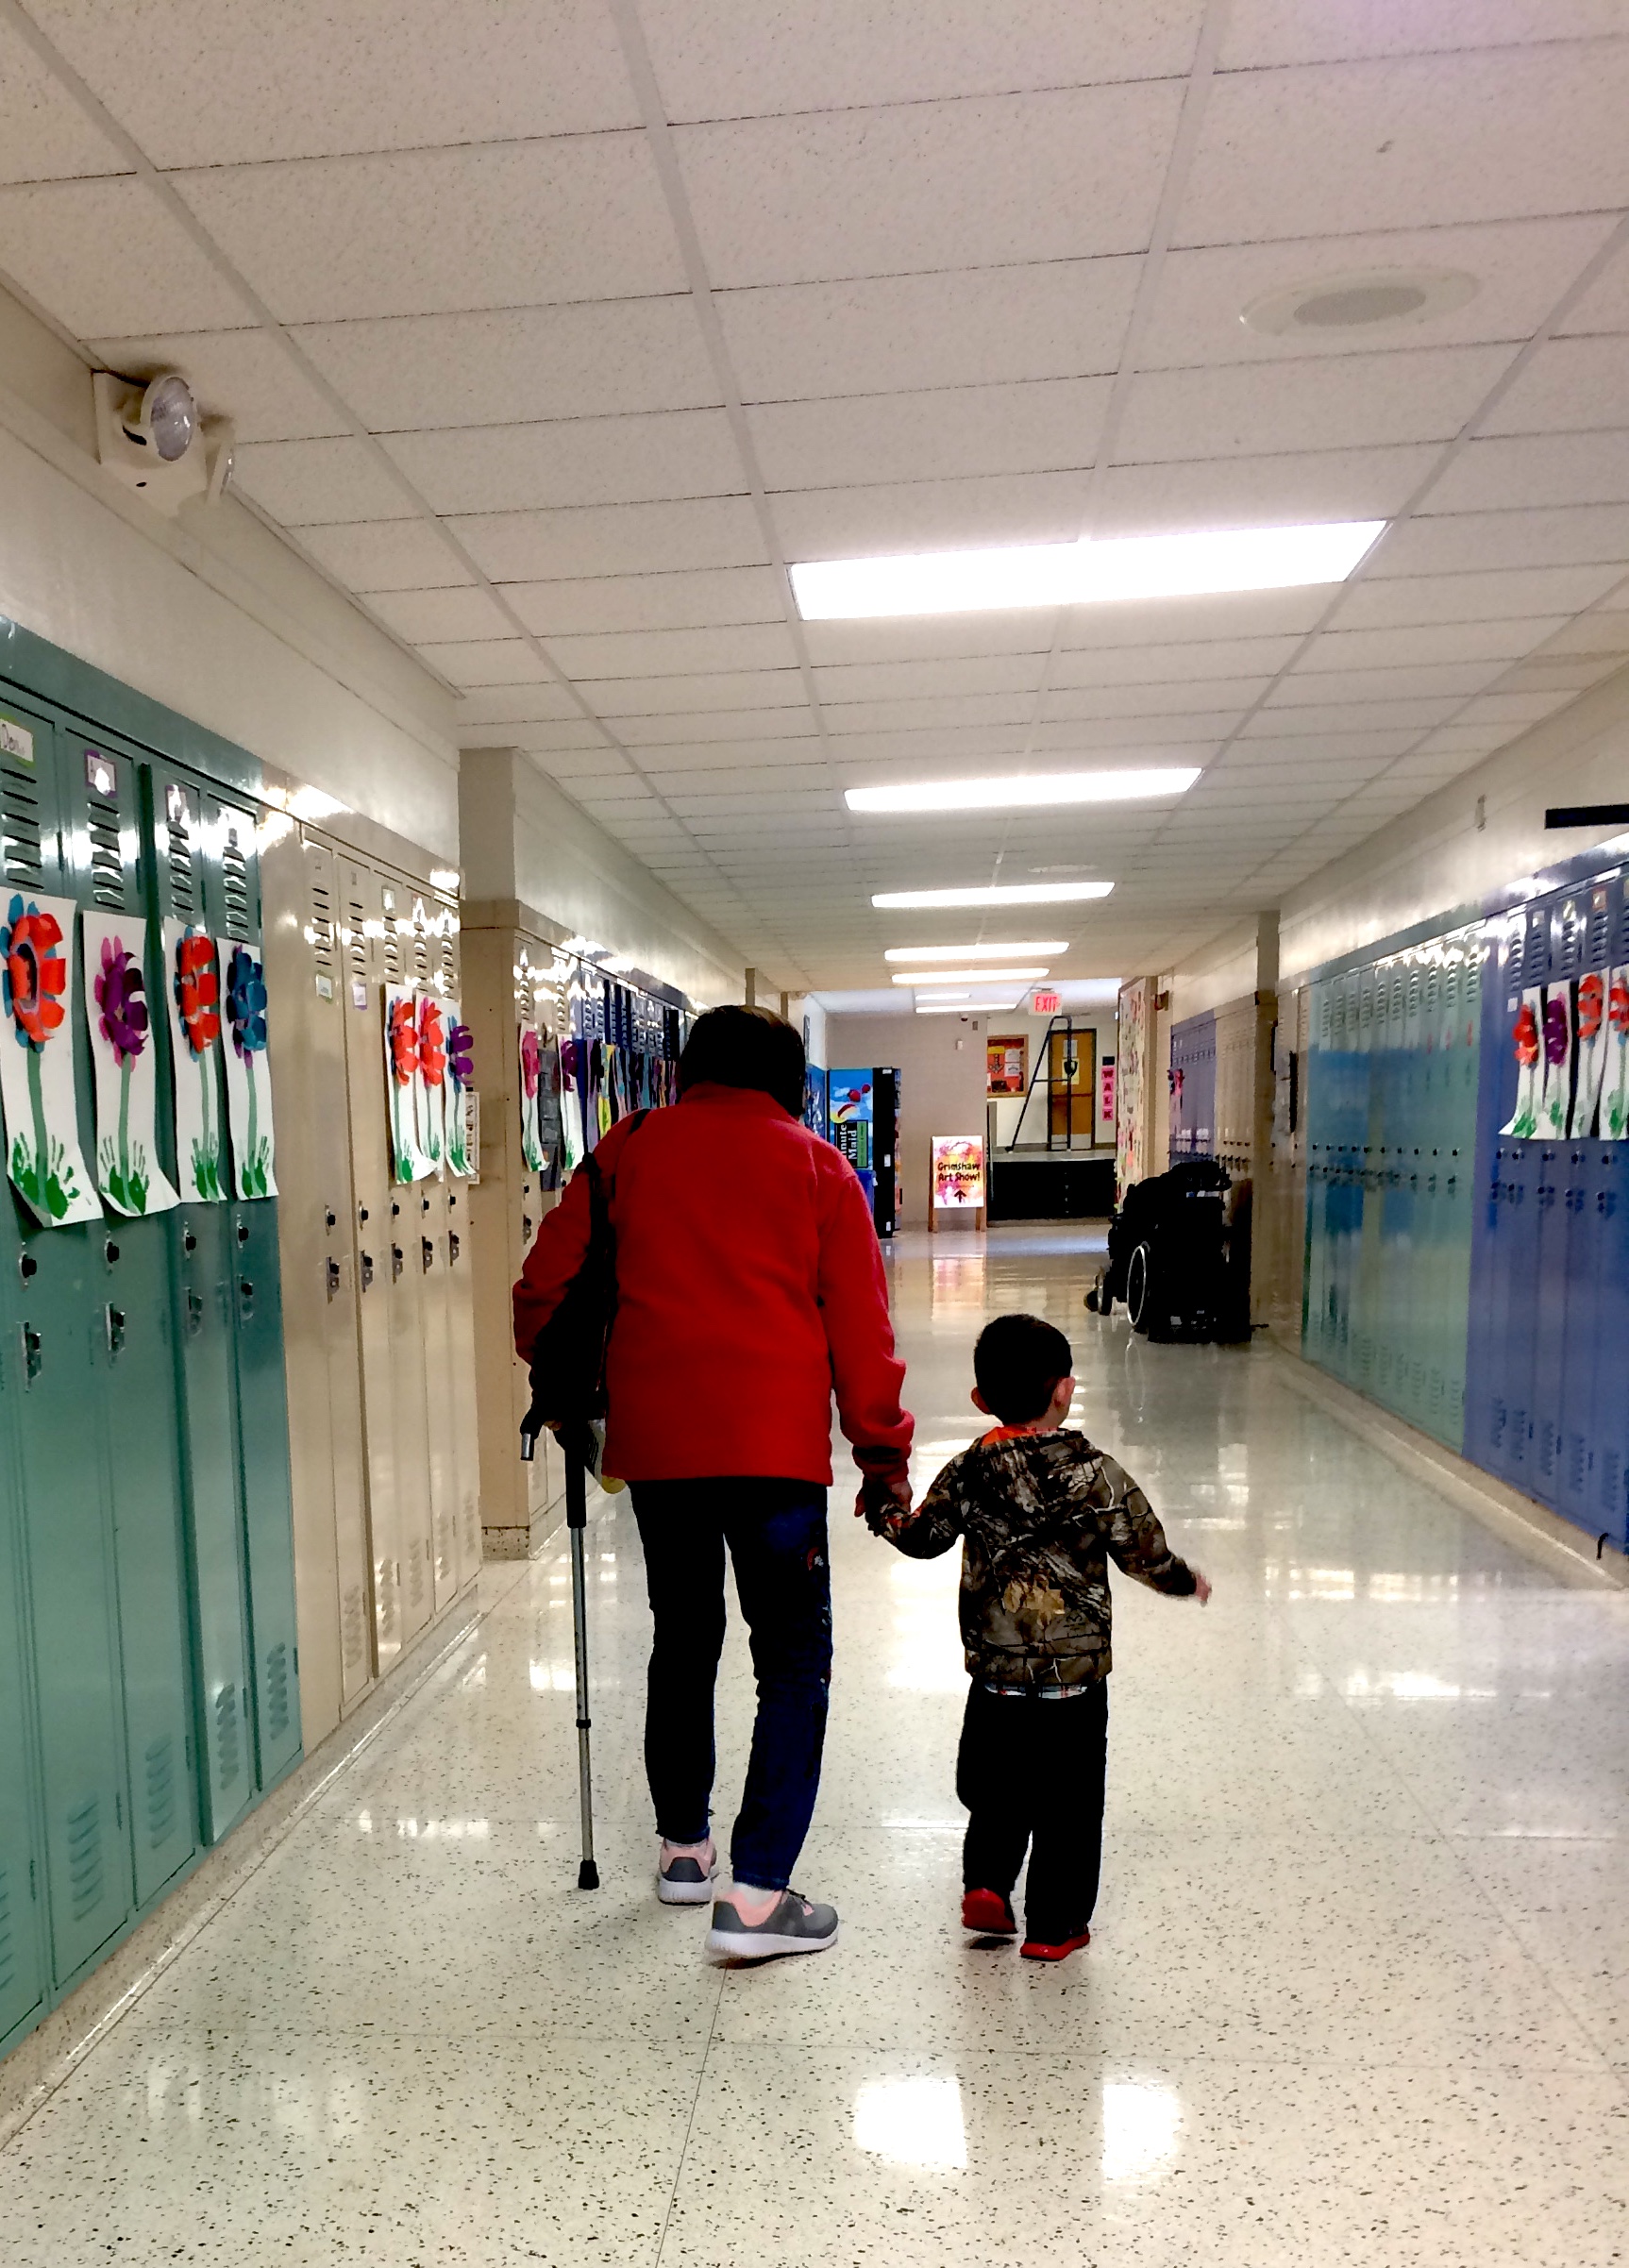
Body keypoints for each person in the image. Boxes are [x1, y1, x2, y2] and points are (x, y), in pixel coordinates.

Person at [513, 1005, 913, 1960]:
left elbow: (542, 1292)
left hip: (660, 1452)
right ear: (788, 1078)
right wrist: (882, 1458)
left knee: (682, 1640)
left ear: (689, 1068)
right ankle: (761, 1898)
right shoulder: (819, 1168)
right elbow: (862, 1333)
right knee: (791, 1665)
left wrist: (574, 1391)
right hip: (775, 1454)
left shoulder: (629, 1148)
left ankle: (685, 1854)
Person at [864, 1312, 1208, 1961]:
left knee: (997, 1784)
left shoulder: (970, 1470)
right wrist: (1185, 1582)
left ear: (979, 1400)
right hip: (1074, 1685)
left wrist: (883, 1504)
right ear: (1064, 1390)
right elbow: (1144, 1550)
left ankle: (988, 1884)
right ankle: (1055, 1926)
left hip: (996, 1673)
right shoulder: (1095, 1472)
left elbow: (922, 1536)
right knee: (1071, 1804)